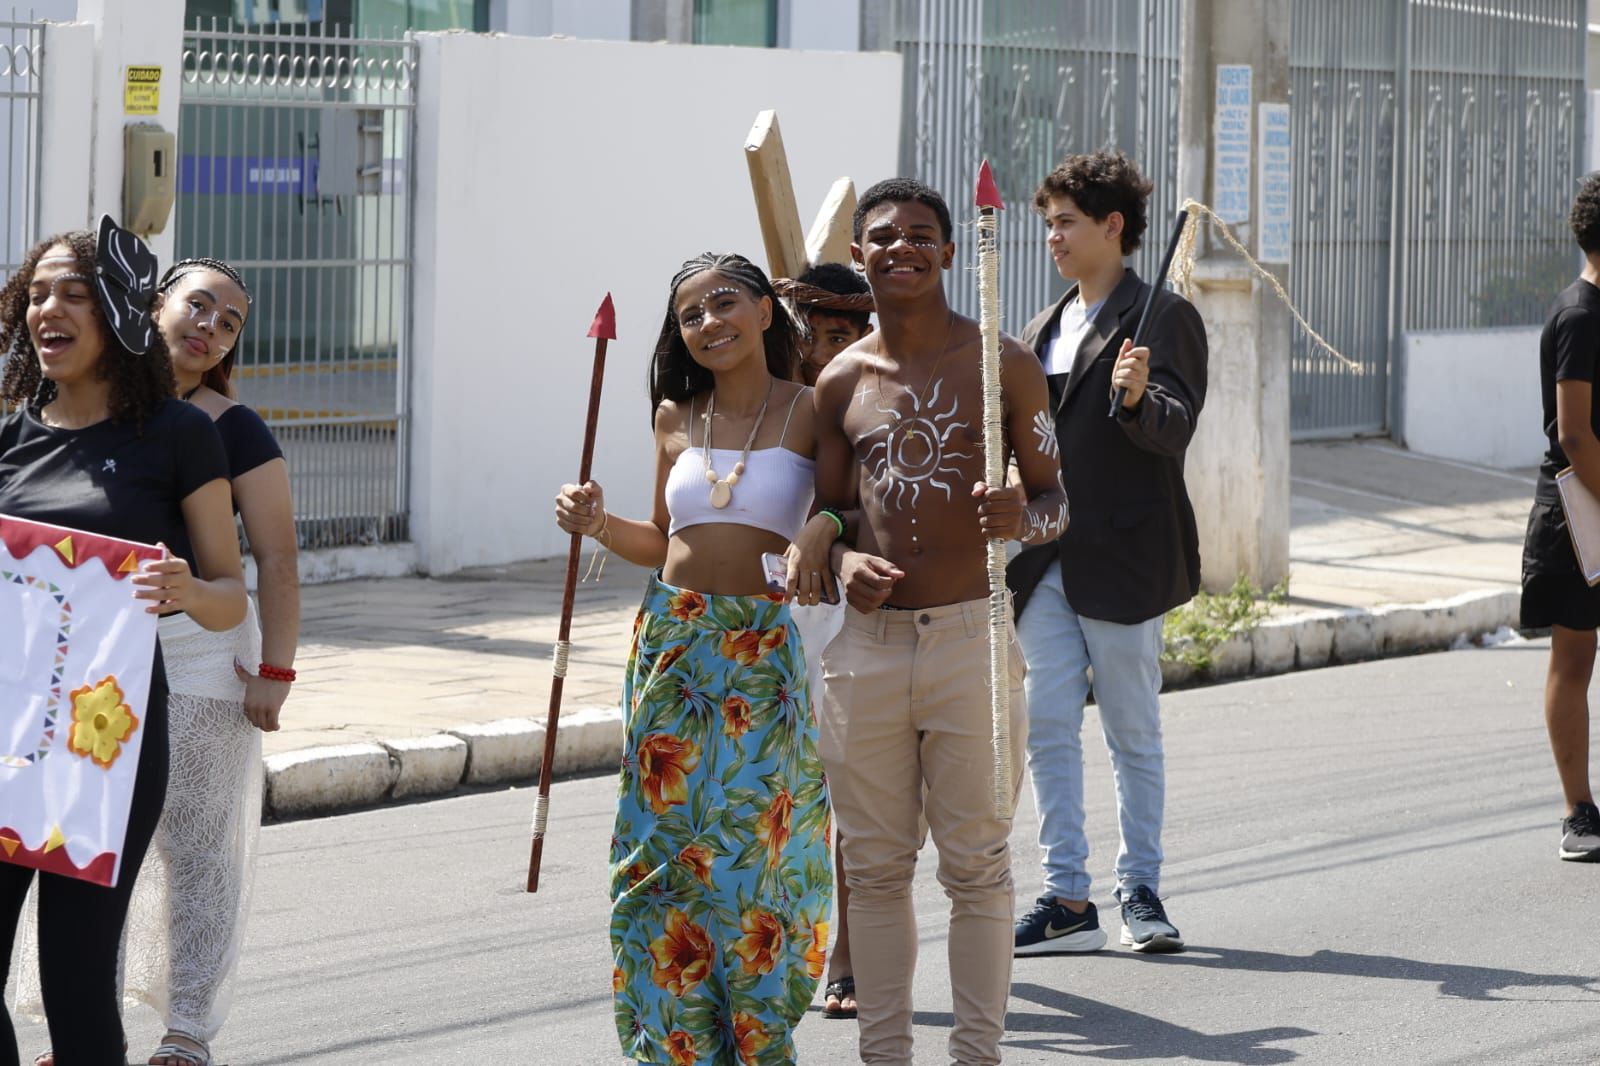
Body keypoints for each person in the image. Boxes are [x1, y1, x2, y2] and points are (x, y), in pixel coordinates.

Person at [553, 252, 840, 1064]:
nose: (709, 322)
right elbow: (660, 541)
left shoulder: (815, 410)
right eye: (690, 315)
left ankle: (757, 1033)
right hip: (674, 640)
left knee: (757, 847)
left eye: (725, 303)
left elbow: (851, 508)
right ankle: (672, 1043)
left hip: (765, 647)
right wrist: (598, 522)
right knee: (665, 846)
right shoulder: (674, 417)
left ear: (763, 312)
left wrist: (835, 529)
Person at [812, 178, 1068, 1065]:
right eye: (882, 236)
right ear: (859, 256)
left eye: (921, 234)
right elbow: (829, 519)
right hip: (869, 655)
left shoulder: (1006, 364)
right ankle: (886, 1057)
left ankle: (977, 1057)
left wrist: (1019, 521)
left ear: (953, 252)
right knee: (876, 873)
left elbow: (1056, 498)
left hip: (972, 642)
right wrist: (845, 564)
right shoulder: (839, 381)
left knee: (978, 871)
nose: (902, 248)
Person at [0, 220, 247, 1065]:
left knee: (74, 980)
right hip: (4, 738)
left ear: (112, 314)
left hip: (106, 748)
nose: (48, 310)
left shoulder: (179, 437)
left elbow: (228, 596)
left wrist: (184, 590)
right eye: (36, 294)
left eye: (71, 292)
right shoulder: (9, 439)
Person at [1006, 151, 1208, 958]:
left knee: (1132, 729)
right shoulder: (1036, 331)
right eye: (1048, 223)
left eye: (1066, 222)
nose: (1053, 237)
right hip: (1043, 560)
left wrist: (1133, 398)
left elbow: (1175, 423)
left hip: (1123, 559)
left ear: (1113, 227)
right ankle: (1066, 896)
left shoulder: (1165, 318)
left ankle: (1142, 889)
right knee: (1047, 724)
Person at [129, 256, 298, 1064]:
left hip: (204, 653)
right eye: (199, 306)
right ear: (158, 303)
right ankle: (76, 1017)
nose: (211, 328)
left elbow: (277, 557)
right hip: (97, 652)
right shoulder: (96, 406)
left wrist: (277, 670)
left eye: (229, 321)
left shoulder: (236, 428)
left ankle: (186, 1030)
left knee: (192, 845)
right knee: (83, 845)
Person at [775, 260, 874, 1021]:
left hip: (843, 617)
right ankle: (774, 945)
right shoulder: (762, 401)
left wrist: (831, 527)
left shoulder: (866, 401)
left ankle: (847, 952)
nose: (839, 345)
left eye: (853, 331)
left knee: (847, 792)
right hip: (761, 624)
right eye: (825, 331)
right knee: (773, 795)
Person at [1520, 171, 1600, 863]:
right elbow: (1575, 434)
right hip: (1581, 510)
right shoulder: (1581, 314)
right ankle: (1579, 812)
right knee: (1574, 657)